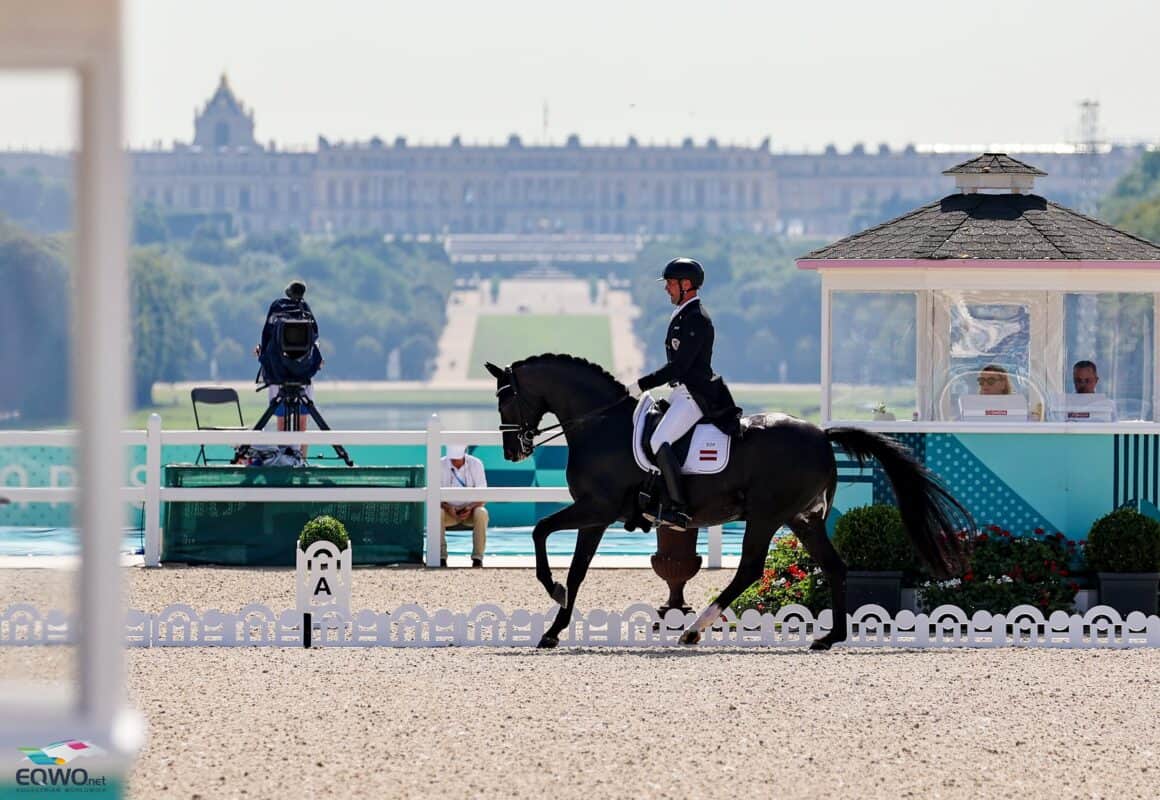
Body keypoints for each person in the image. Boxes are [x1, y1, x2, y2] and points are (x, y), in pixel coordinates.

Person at [627, 257, 740, 529]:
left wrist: (641, 384)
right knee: (646, 428)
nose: (666, 289)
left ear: (685, 284)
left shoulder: (696, 319)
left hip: (695, 395)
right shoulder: (683, 314)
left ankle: (679, 509)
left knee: (659, 440)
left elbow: (679, 366)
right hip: (680, 392)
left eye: (669, 284)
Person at [254, 280, 322, 455]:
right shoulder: (306, 310)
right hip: (303, 373)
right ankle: (302, 461)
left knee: (282, 422)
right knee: (302, 425)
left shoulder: (277, 307)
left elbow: (267, 336)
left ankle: (284, 460)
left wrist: (263, 356)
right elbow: (314, 339)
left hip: (279, 373)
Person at [440, 444, 488, 568]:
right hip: (448, 512)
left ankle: (477, 558)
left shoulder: (476, 464)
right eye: (452, 458)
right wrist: (448, 508)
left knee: (481, 512)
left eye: (457, 458)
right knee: (436, 513)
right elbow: (434, 497)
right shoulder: (439, 464)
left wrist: (469, 508)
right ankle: (440, 557)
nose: (454, 461)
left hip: (470, 512)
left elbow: (483, 496)